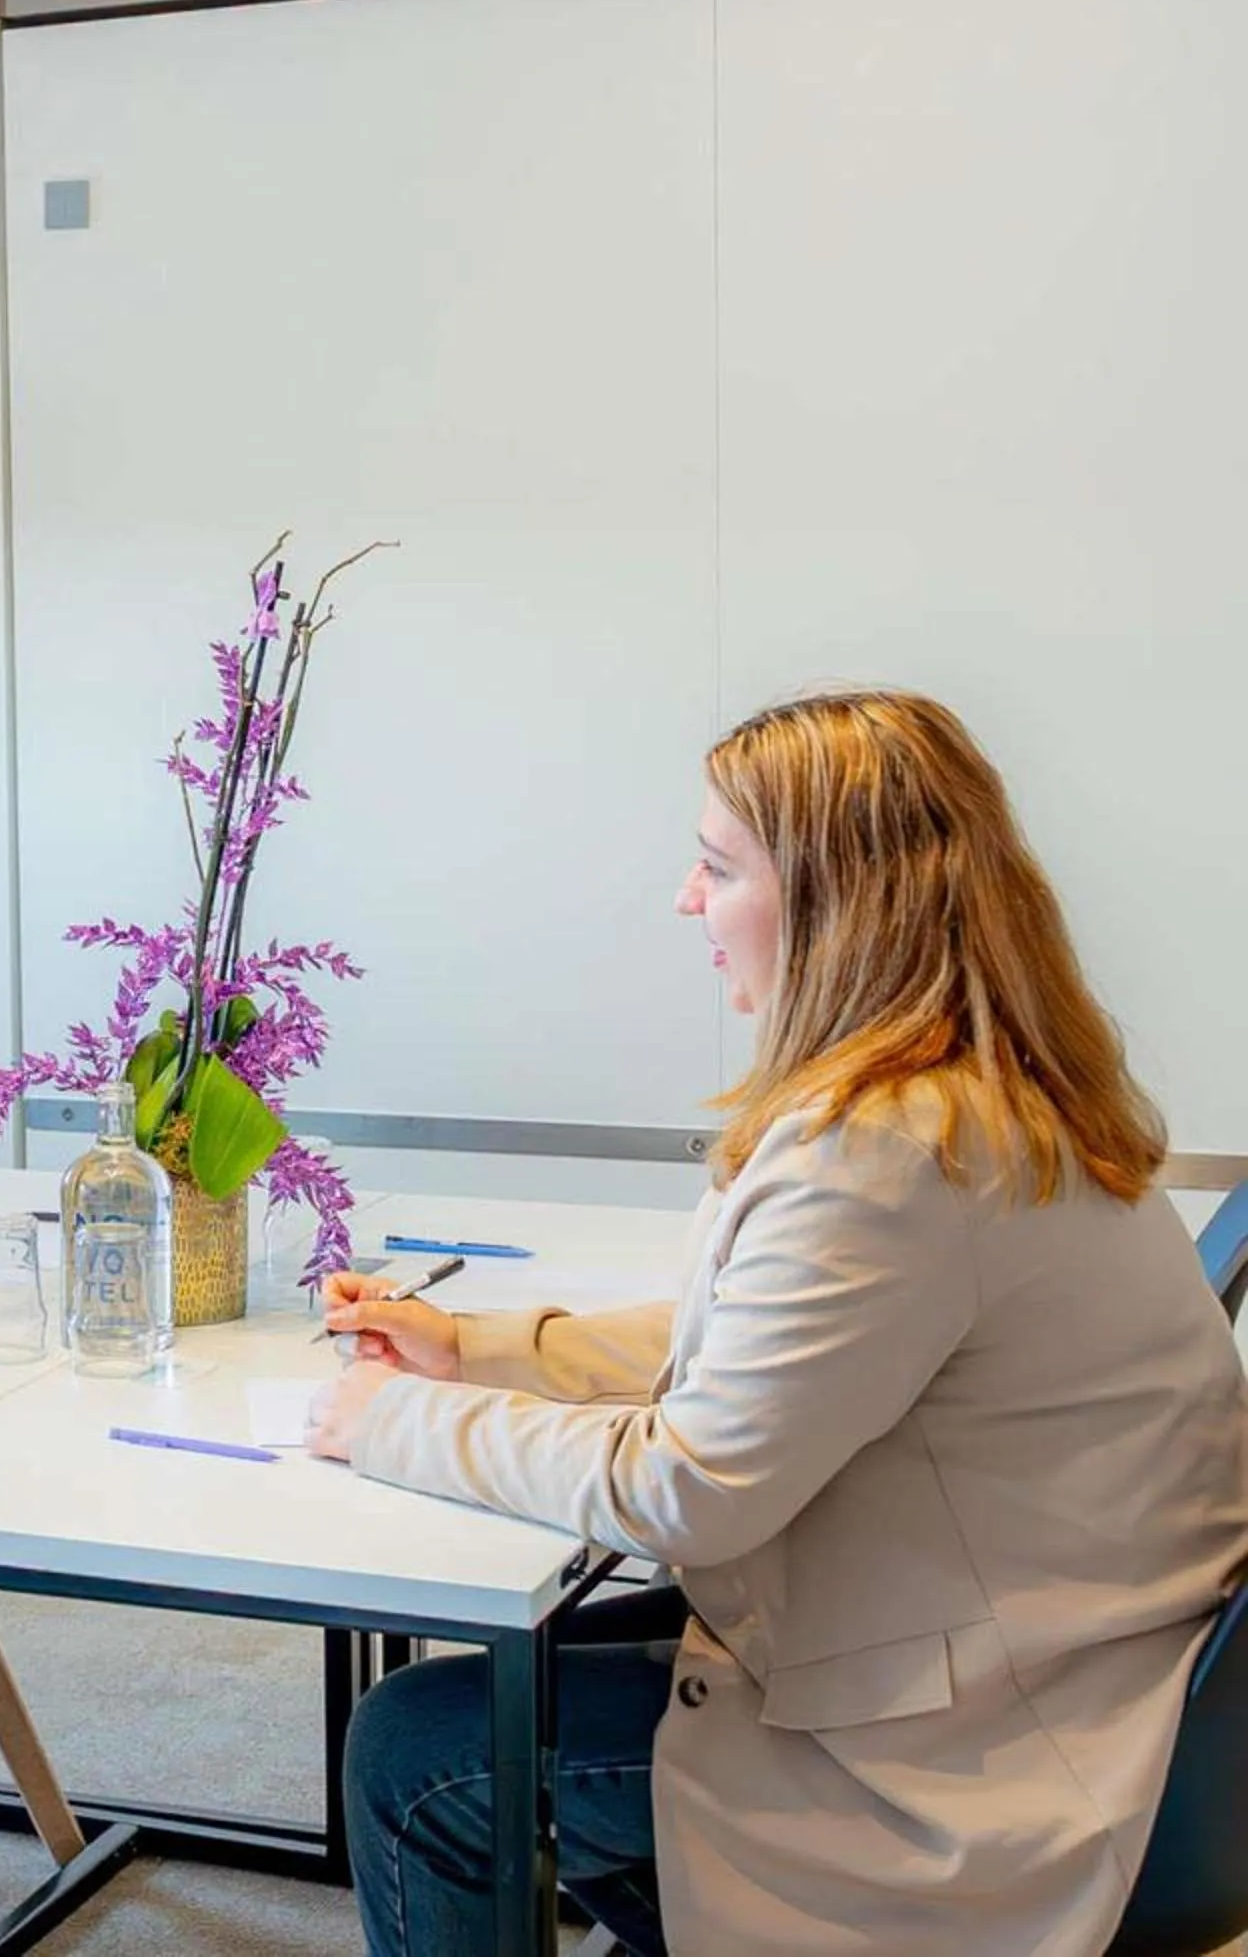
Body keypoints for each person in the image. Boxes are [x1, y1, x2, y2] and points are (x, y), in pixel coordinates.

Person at [309, 690, 1248, 1957]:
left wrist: (391, 1420)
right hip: (1077, 1661)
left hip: (995, 1742)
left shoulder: (890, 1148)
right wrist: (475, 1349)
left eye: (717, 867)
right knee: (524, 1659)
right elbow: (763, 1341)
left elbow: (687, 1491)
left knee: (420, 1753)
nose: (684, 901)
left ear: (833, 899)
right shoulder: (986, 1091)